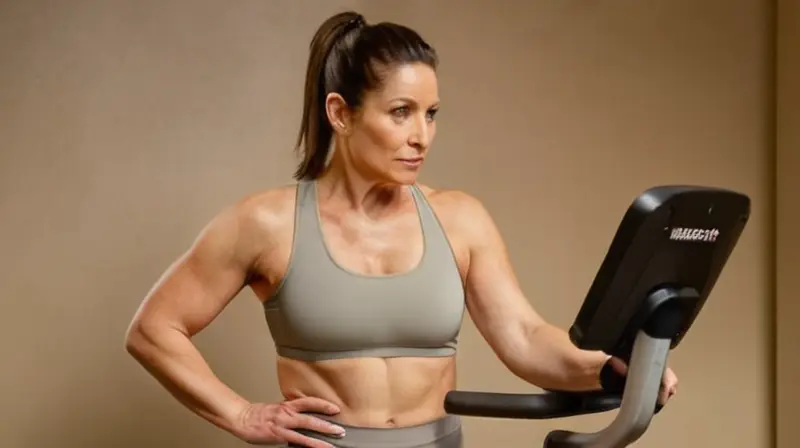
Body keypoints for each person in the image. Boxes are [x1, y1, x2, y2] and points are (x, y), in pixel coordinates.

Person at [124, 10, 678, 448]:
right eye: (400, 112)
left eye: (431, 113)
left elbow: (526, 340)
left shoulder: (460, 217)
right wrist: (242, 414)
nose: (422, 136)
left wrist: (612, 369)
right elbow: (154, 330)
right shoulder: (266, 222)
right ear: (340, 114)